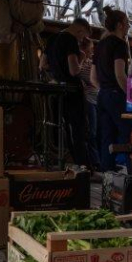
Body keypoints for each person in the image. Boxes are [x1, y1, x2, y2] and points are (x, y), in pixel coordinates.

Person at [43, 17, 91, 167]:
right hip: (72, 90)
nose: (81, 40)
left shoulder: (52, 39)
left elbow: (43, 65)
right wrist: (82, 58)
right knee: (78, 130)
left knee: (65, 128)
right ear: (80, 30)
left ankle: (75, 163)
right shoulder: (70, 40)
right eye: (82, 36)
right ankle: (84, 166)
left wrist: (58, 72)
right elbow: (74, 70)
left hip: (58, 90)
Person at [94, 7, 132, 171]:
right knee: (130, 134)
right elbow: (120, 74)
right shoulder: (120, 44)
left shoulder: (99, 45)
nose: (129, 27)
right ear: (119, 25)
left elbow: (92, 78)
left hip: (102, 95)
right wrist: (131, 95)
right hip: (116, 95)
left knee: (107, 136)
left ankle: (107, 176)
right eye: (127, 23)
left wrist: (104, 89)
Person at [76, 36, 99, 170]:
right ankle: (95, 162)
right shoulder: (84, 64)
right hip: (90, 100)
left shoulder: (88, 63)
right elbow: (91, 79)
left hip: (95, 99)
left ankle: (96, 160)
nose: (92, 50)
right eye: (90, 48)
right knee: (92, 132)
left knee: (95, 131)